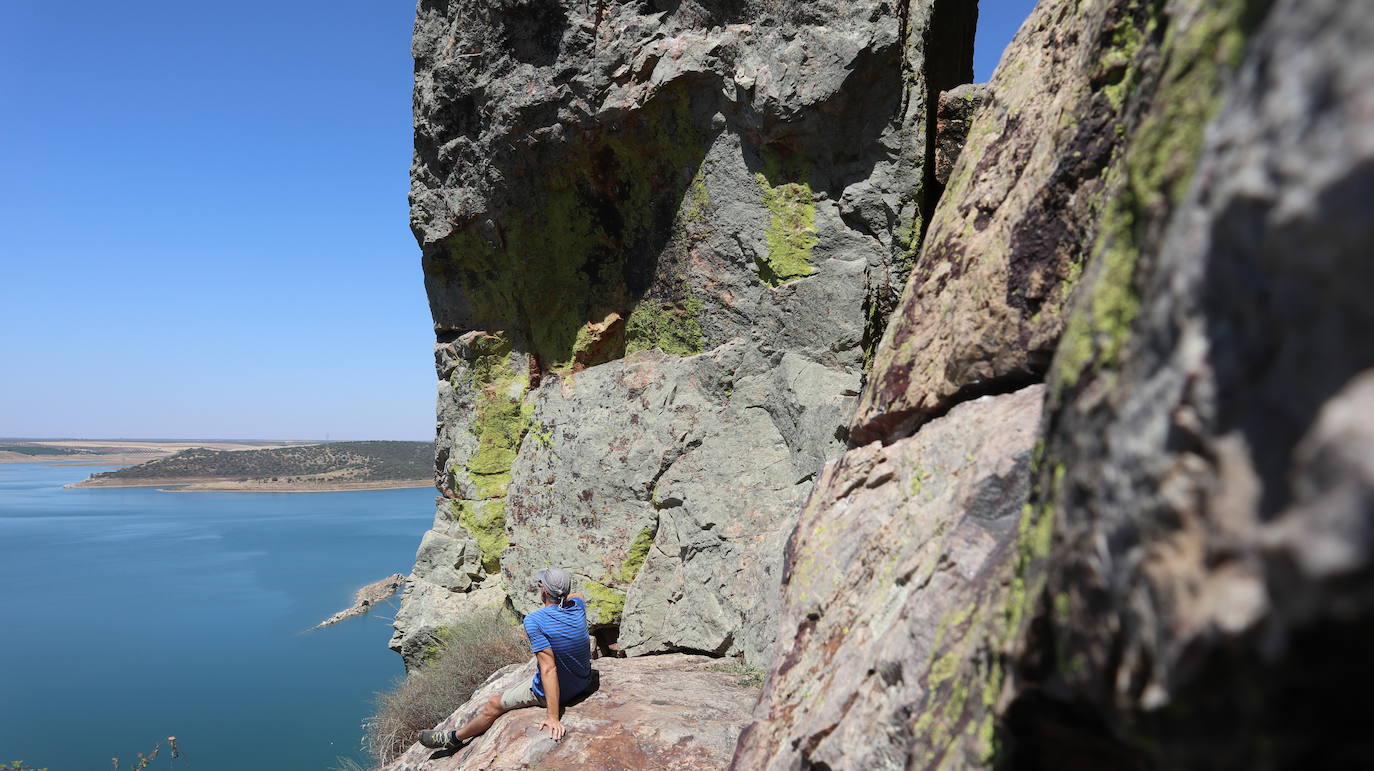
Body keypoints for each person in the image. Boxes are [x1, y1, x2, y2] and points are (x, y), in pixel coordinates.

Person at [417, 567, 593, 750]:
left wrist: (553, 717)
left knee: (493, 704)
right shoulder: (578, 607)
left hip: (559, 693)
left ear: (544, 591)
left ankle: (453, 738)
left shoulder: (535, 620)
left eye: (541, 584)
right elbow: (578, 594)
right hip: (583, 681)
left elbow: (549, 669)